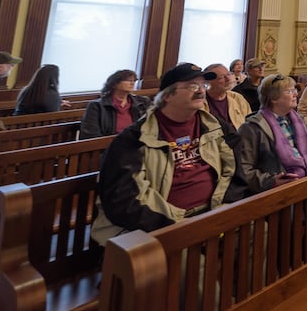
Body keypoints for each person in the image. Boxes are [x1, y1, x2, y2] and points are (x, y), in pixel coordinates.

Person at [91, 63, 236, 245]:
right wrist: (184, 226)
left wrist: (225, 208)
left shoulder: (214, 126)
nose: (201, 91)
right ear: (167, 95)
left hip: (214, 212)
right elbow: (124, 201)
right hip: (163, 228)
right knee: (196, 269)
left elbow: (236, 168)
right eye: (192, 86)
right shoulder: (134, 139)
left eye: (203, 86)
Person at [236, 74, 307, 196]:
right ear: (273, 98)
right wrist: (272, 181)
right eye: (289, 91)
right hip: (277, 192)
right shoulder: (252, 128)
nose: (296, 94)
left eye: (295, 90)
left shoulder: (298, 120)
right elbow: (244, 170)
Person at [79, 70, 151, 139]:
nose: (132, 83)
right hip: (108, 146)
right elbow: (91, 135)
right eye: (128, 80)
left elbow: (151, 127)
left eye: (134, 81)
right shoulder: (96, 106)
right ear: (114, 84)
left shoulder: (143, 102)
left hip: (137, 144)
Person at [202, 63, 252, 133]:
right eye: (222, 77)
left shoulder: (237, 98)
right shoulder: (200, 102)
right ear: (208, 82)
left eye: (228, 74)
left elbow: (250, 125)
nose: (228, 79)